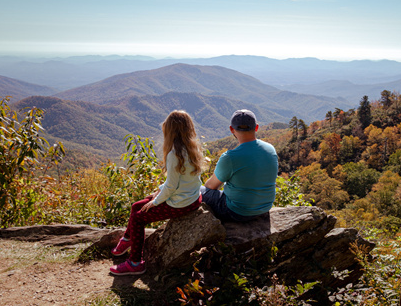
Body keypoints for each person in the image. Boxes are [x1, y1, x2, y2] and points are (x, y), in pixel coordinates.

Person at [110, 110, 205, 276]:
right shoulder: (192, 148)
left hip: (181, 203)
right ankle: (127, 239)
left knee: (139, 217)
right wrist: (158, 192)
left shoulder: (174, 154)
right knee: (136, 206)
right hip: (193, 197)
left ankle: (135, 263)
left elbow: (171, 187)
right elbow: (177, 182)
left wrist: (155, 201)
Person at [201, 109, 278, 222]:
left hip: (237, 212)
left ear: (232, 129)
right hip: (264, 209)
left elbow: (211, 186)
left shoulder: (230, 157)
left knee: (197, 191)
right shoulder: (270, 149)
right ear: (256, 127)